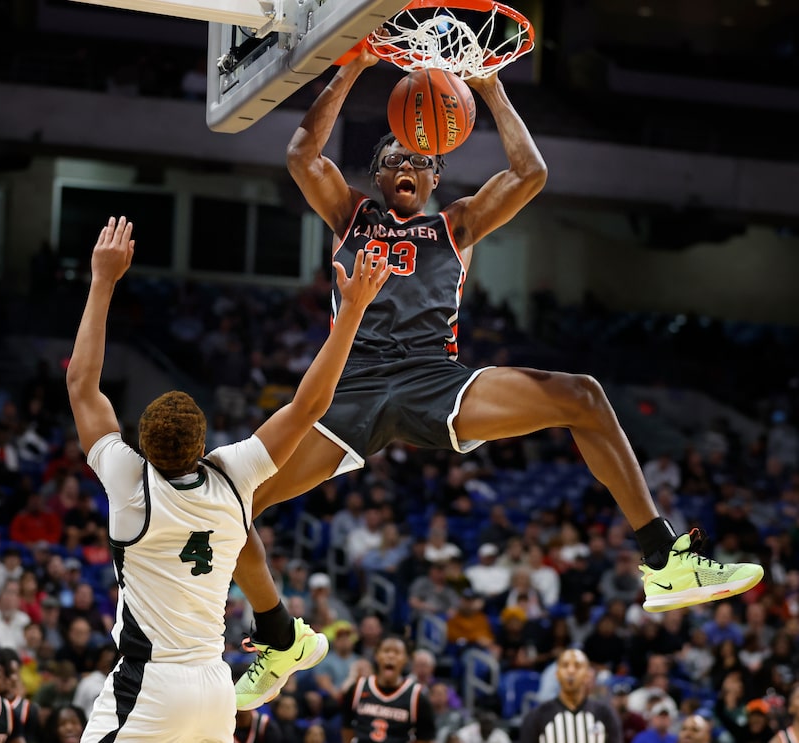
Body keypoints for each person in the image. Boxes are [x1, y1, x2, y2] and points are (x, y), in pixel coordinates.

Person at [230, 44, 764, 708]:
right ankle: (281, 636)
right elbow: (302, 156)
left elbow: (530, 171)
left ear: (435, 179)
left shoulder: (457, 224)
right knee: (226, 504)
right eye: (394, 159)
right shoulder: (350, 218)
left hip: (435, 379)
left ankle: (663, 559)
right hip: (351, 388)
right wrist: (353, 69)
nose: (406, 165)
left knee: (583, 396)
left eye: (420, 161)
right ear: (375, 177)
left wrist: (489, 88)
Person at [64, 216, 390, 741]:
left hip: (149, 685)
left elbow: (82, 385)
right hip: (216, 687)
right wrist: (351, 312)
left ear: (143, 448)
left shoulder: (131, 486)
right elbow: (309, 406)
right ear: (204, 444)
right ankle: (282, 636)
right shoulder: (233, 475)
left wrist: (102, 280)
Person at [342, 635, 435, 743]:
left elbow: (425, 737)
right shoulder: (358, 688)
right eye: (386, 651)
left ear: (406, 659)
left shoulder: (417, 696)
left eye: (397, 652)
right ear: (376, 655)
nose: (391, 656)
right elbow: (346, 727)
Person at [519, 648, 622, 743]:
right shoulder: (537, 716)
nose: (571, 671)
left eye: (577, 666)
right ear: (557, 674)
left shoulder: (605, 714)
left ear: (587, 675)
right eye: (565, 666)